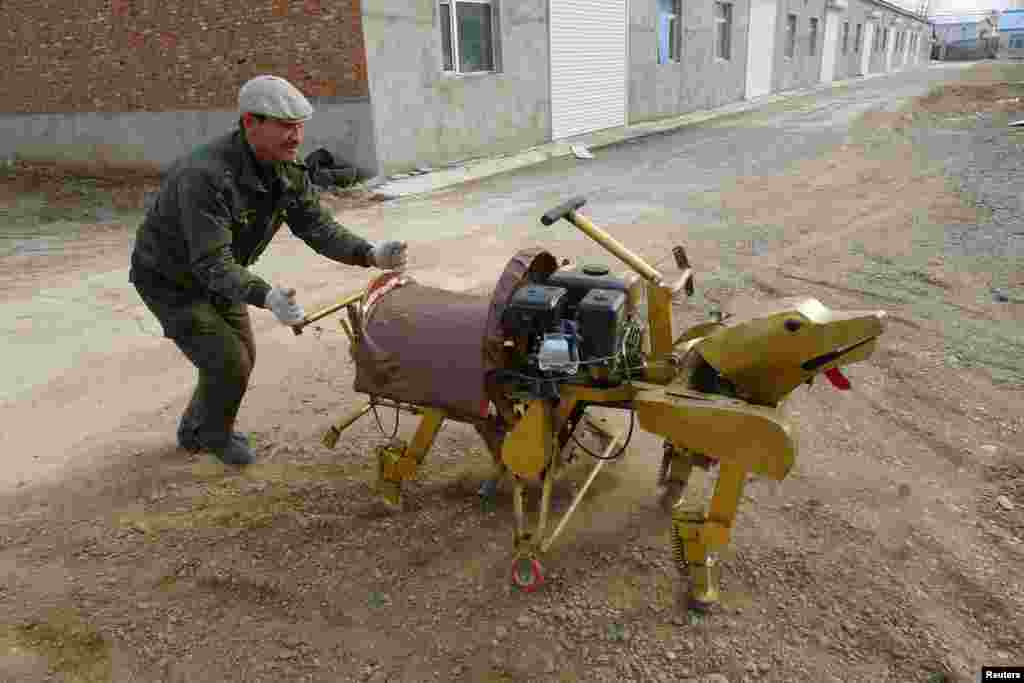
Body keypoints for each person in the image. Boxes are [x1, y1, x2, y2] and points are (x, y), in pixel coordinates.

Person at [129, 75, 407, 465]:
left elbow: (315, 225)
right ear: (249, 123)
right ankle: (213, 434)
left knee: (241, 355)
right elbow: (210, 262)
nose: (296, 137)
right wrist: (265, 295)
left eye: (299, 126)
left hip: (222, 273)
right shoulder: (205, 177)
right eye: (284, 126)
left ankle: (195, 429)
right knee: (228, 360)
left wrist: (370, 253)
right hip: (170, 279)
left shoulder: (287, 169)